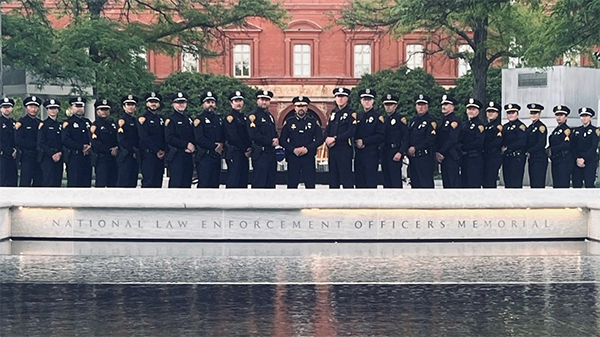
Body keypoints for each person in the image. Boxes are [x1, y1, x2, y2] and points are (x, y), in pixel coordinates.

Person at [279, 95, 323, 188]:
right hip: (293, 157)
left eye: (303, 106)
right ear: (294, 107)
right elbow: (282, 140)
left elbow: (319, 139)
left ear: (307, 107)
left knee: (310, 184)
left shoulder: (313, 122)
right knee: (292, 184)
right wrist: (293, 149)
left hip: (308, 157)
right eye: (298, 106)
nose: (301, 108)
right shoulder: (289, 122)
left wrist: (307, 149)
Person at [324, 87, 356, 188]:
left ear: (347, 98)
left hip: (344, 149)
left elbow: (351, 131)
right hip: (333, 149)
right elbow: (327, 129)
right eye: (338, 97)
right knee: (333, 179)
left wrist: (335, 138)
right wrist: (326, 139)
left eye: (343, 97)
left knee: (346, 178)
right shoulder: (333, 113)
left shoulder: (351, 113)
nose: (340, 99)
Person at [354, 88, 384, 188]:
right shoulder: (358, 116)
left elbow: (381, 135)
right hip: (359, 154)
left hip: (371, 154)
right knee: (359, 183)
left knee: (370, 183)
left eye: (369, 99)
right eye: (364, 99)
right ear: (361, 101)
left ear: (373, 101)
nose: (367, 102)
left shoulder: (377, 116)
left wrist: (365, 141)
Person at [248, 90, 278, 189]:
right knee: (259, 182)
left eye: (267, 100)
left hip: (271, 153)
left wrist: (276, 139)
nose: (264, 102)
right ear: (257, 101)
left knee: (271, 182)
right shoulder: (253, 116)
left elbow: (273, 132)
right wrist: (270, 142)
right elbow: (254, 134)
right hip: (260, 153)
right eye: (262, 100)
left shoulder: (270, 116)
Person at [165, 92, 195, 188]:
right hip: (176, 155)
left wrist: (192, 146)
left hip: (188, 155)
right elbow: (169, 138)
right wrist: (185, 145)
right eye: (178, 103)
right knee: (176, 183)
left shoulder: (188, 120)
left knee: (186, 183)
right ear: (174, 104)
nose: (181, 105)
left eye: (183, 102)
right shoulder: (171, 120)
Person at [194, 91, 224, 188]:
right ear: (203, 104)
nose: (210, 104)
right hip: (204, 157)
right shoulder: (199, 119)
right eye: (208, 102)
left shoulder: (218, 119)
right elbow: (199, 138)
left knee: (215, 184)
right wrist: (214, 146)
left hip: (216, 156)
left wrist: (222, 144)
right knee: (204, 184)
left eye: (212, 102)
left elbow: (222, 135)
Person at [62, 97, 93, 187]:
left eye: (81, 106)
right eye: (77, 106)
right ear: (72, 108)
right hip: (74, 157)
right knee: (74, 184)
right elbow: (65, 140)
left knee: (86, 184)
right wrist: (81, 147)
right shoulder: (68, 123)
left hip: (87, 158)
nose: (79, 108)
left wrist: (90, 146)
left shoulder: (87, 122)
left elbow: (93, 137)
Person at [223, 90, 251, 189]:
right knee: (233, 180)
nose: (238, 103)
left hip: (244, 153)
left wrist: (249, 148)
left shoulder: (244, 117)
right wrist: (245, 149)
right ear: (231, 103)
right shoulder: (230, 118)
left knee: (243, 180)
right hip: (234, 152)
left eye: (240, 100)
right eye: (236, 101)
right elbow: (233, 136)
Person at [407, 94, 436, 188]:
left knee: (426, 185)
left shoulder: (430, 121)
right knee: (415, 185)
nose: (421, 107)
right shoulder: (413, 121)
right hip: (413, 158)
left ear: (427, 106)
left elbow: (430, 139)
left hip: (424, 157)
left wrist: (416, 148)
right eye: (419, 105)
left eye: (423, 105)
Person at [137, 92, 166, 188]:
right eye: (151, 102)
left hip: (160, 155)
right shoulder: (143, 119)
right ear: (147, 103)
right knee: (148, 182)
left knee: (158, 182)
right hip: (148, 155)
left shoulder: (161, 119)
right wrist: (156, 150)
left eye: (156, 102)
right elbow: (144, 137)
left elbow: (164, 136)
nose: (153, 104)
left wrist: (163, 150)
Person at [381, 94, 409, 188]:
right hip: (385, 152)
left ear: (395, 106)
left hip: (395, 151)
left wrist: (401, 152)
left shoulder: (400, 119)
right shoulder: (383, 119)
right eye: (386, 104)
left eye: (391, 104)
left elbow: (405, 137)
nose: (388, 107)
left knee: (395, 180)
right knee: (386, 180)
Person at [15, 96, 43, 187]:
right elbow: (18, 140)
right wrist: (36, 145)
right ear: (26, 108)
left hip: (39, 157)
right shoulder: (21, 122)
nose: (33, 109)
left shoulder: (40, 123)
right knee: (25, 182)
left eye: (35, 107)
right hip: (27, 156)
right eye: (31, 107)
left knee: (39, 182)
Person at [91, 99, 118, 188]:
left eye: (106, 110)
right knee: (101, 184)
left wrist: (116, 148)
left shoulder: (112, 124)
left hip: (113, 158)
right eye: (102, 109)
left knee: (113, 185)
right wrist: (109, 150)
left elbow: (117, 138)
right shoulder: (95, 126)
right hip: (102, 158)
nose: (104, 112)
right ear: (97, 111)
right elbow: (95, 143)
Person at [436, 95, 461, 188]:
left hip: (451, 155)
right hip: (442, 157)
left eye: (446, 104)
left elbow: (453, 139)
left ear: (452, 107)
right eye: (443, 104)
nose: (443, 106)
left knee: (453, 183)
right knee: (446, 183)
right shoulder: (442, 121)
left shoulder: (454, 121)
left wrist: (441, 152)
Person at [38, 98, 64, 187]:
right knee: (48, 182)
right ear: (47, 110)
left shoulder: (60, 125)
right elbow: (41, 142)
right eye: (50, 108)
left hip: (59, 156)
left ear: (58, 110)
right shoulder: (43, 125)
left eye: (55, 108)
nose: (53, 110)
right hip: (47, 157)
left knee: (57, 182)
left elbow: (63, 141)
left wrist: (60, 153)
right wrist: (52, 154)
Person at [459, 98, 485, 188]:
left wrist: (463, 147)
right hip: (464, 158)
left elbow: (479, 143)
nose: (471, 111)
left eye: (473, 109)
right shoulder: (464, 124)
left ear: (478, 111)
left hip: (474, 158)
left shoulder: (480, 125)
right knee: (464, 184)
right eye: (469, 109)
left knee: (473, 183)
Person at [572, 107, 599, 188]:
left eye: (586, 116)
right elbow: (573, 146)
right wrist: (577, 158)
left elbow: (593, 146)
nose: (584, 118)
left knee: (589, 184)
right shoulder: (577, 131)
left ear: (590, 117)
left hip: (589, 161)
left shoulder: (595, 131)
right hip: (577, 161)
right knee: (576, 184)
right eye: (582, 116)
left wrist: (584, 159)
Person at [116, 95, 140, 188]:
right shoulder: (122, 121)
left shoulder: (136, 120)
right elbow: (121, 139)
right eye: (128, 104)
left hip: (135, 155)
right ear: (124, 107)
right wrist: (133, 150)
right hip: (125, 155)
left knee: (133, 181)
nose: (131, 106)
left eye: (132, 104)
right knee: (124, 182)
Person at [501, 103, 527, 188]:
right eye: (509, 113)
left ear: (517, 114)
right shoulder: (505, 127)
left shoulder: (521, 127)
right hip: (507, 157)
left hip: (517, 158)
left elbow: (522, 142)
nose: (511, 115)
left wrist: (509, 147)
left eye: (513, 113)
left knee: (515, 183)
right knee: (507, 182)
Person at [547, 105, 573, 188]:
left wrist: (552, 149)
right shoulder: (556, 130)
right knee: (556, 184)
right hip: (556, 159)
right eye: (557, 115)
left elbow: (566, 145)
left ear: (566, 117)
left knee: (563, 184)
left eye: (561, 115)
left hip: (564, 160)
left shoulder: (566, 130)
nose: (559, 117)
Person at [525, 103, 548, 188]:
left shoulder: (541, 127)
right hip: (532, 158)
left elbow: (541, 143)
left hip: (539, 158)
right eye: (532, 113)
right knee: (533, 182)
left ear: (539, 114)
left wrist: (529, 151)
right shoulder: (530, 127)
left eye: (535, 113)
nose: (533, 115)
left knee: (538, 182)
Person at [482, 102, 503, 188]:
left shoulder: (498, 127)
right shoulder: (486, 126)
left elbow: (497, 142)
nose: (490, 114)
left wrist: (484, 146)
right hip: (485, 156)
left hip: (493, 156)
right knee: (485, 181)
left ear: (497, 114)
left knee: (490, 180)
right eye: (489, 111)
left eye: (493, 112)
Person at [0, 98, 18, 186]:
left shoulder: (14, 123)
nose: (7, 109)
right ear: (1, 109)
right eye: (4, 107)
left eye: (9, 107)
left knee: (12, 182)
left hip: (13, 157)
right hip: (2, 156)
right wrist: (10, 150)